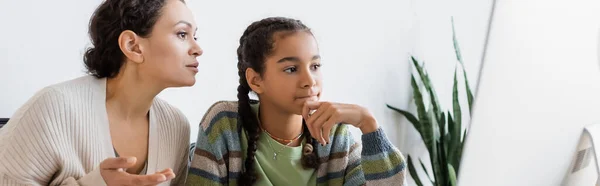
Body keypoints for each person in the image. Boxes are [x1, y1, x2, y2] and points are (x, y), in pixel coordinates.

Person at [0, 0, 202, 185]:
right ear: (133, 46)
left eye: (195, 36)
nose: (197, 48)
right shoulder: (52, 109)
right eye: (182, 34)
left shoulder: (176, 127)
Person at [186, 17, 406, 186]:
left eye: (315, 66)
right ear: (255, 80)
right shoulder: (224, 126)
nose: (309, 81)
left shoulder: (336, 136)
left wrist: (368, 123)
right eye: (291, 69)